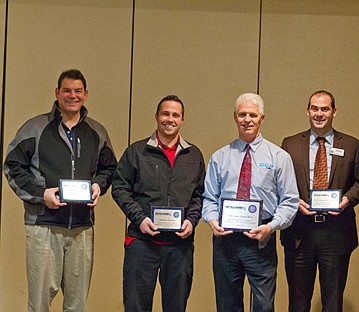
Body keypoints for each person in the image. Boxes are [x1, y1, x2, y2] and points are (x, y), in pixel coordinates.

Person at [3, 69, 117, 312]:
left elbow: (110, 169)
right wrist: (40, 194)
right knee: (40, 303)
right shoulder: (35, 127)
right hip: (43, 225)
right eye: (66, 90)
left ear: (86, 95)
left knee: (77, 305)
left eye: (78, 91)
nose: (72, 96)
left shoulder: (97, 132)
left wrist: (98, 185)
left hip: (82, 228)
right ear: (57, 93)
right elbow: (12, 166)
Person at [202, 93, 299, 312]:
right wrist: (211, 220)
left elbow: (290, 201)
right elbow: (209, 198)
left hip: (261, 239)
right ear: (235, 117)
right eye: (242, 114)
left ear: (262, 119)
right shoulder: (220, 157)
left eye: (253, 115)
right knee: (227, 305)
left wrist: (271, 227)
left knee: (264, 306)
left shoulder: (279, 157)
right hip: (225, 240)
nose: (247, 119)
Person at [112, 95, 205, 312]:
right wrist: (140, 218)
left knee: (176, 307)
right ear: (156, 116)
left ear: (182, 119)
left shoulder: (194, 154)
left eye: (175, 115)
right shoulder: (136, 151)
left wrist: (192, 221)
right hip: (141, 243)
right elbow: (120, 187)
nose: (169, 119)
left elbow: (200, 194)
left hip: (179, 247)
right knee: (136, 307)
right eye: (165, 113)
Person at [280, 90, 359, 312]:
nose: (319, 114)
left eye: (325, 109)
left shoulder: (352, 144)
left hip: (336, 232)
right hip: (300, 231)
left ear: (334, 112)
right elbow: (279, 184)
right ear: (308, 111)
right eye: (315, 108)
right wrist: (294, 202)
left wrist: (347, 199)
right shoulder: (289, 144)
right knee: (298, 302)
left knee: (333, 301)